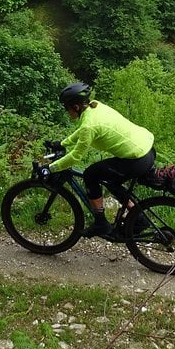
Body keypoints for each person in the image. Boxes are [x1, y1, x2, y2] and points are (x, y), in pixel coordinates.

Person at [45, 82, 156, 238]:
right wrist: (61, 143)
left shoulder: (88, 125)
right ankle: (138, 216)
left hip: (136, 158)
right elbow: (81, 132)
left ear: (76, 107)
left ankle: (101, 223)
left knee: (91, 174)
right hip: (147, 149)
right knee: (111, 181)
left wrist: (50, 168)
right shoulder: (95, 107)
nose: (66, 111)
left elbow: (76, 156)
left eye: (66, 107)